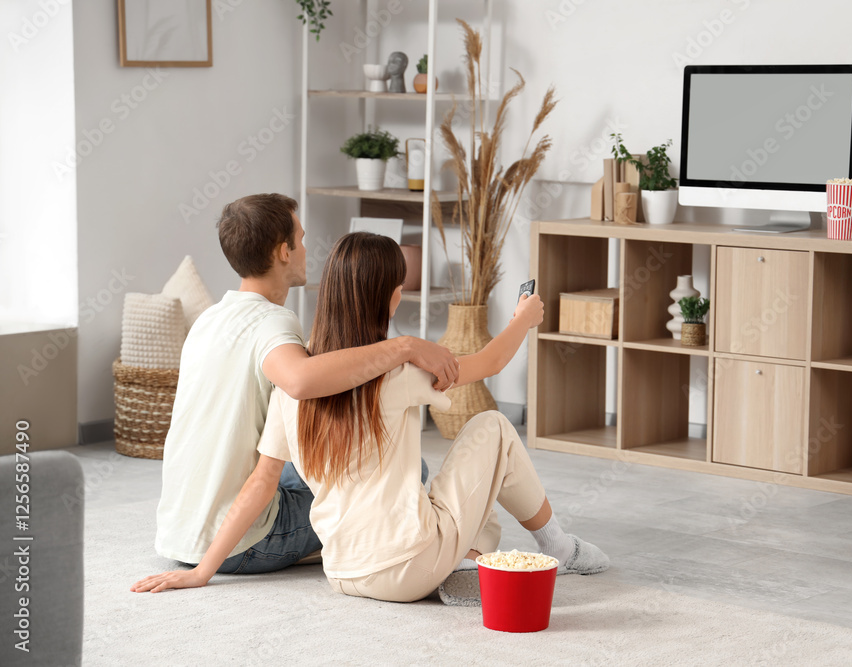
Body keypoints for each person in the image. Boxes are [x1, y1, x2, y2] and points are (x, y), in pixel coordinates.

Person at [133, 232, 608, 602]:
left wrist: (201, 572)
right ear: (393, 297)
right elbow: (490, 363)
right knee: (494, 429)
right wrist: (523, 318)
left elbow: (260, 484)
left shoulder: (294, 382)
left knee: (448, 491)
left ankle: (468, 559)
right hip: (407, 568)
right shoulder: (398, 371)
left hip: (342, 573)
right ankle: (557, 546)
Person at [152, 195, 459, 576]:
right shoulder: (273, 324)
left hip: (177, 530)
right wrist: (406, 346)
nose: (306, 248)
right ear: (284, 251)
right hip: (242, 544)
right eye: (301, 238)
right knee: (410, 471)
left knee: (319, 463)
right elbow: (299, 381)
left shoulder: (211, 319)